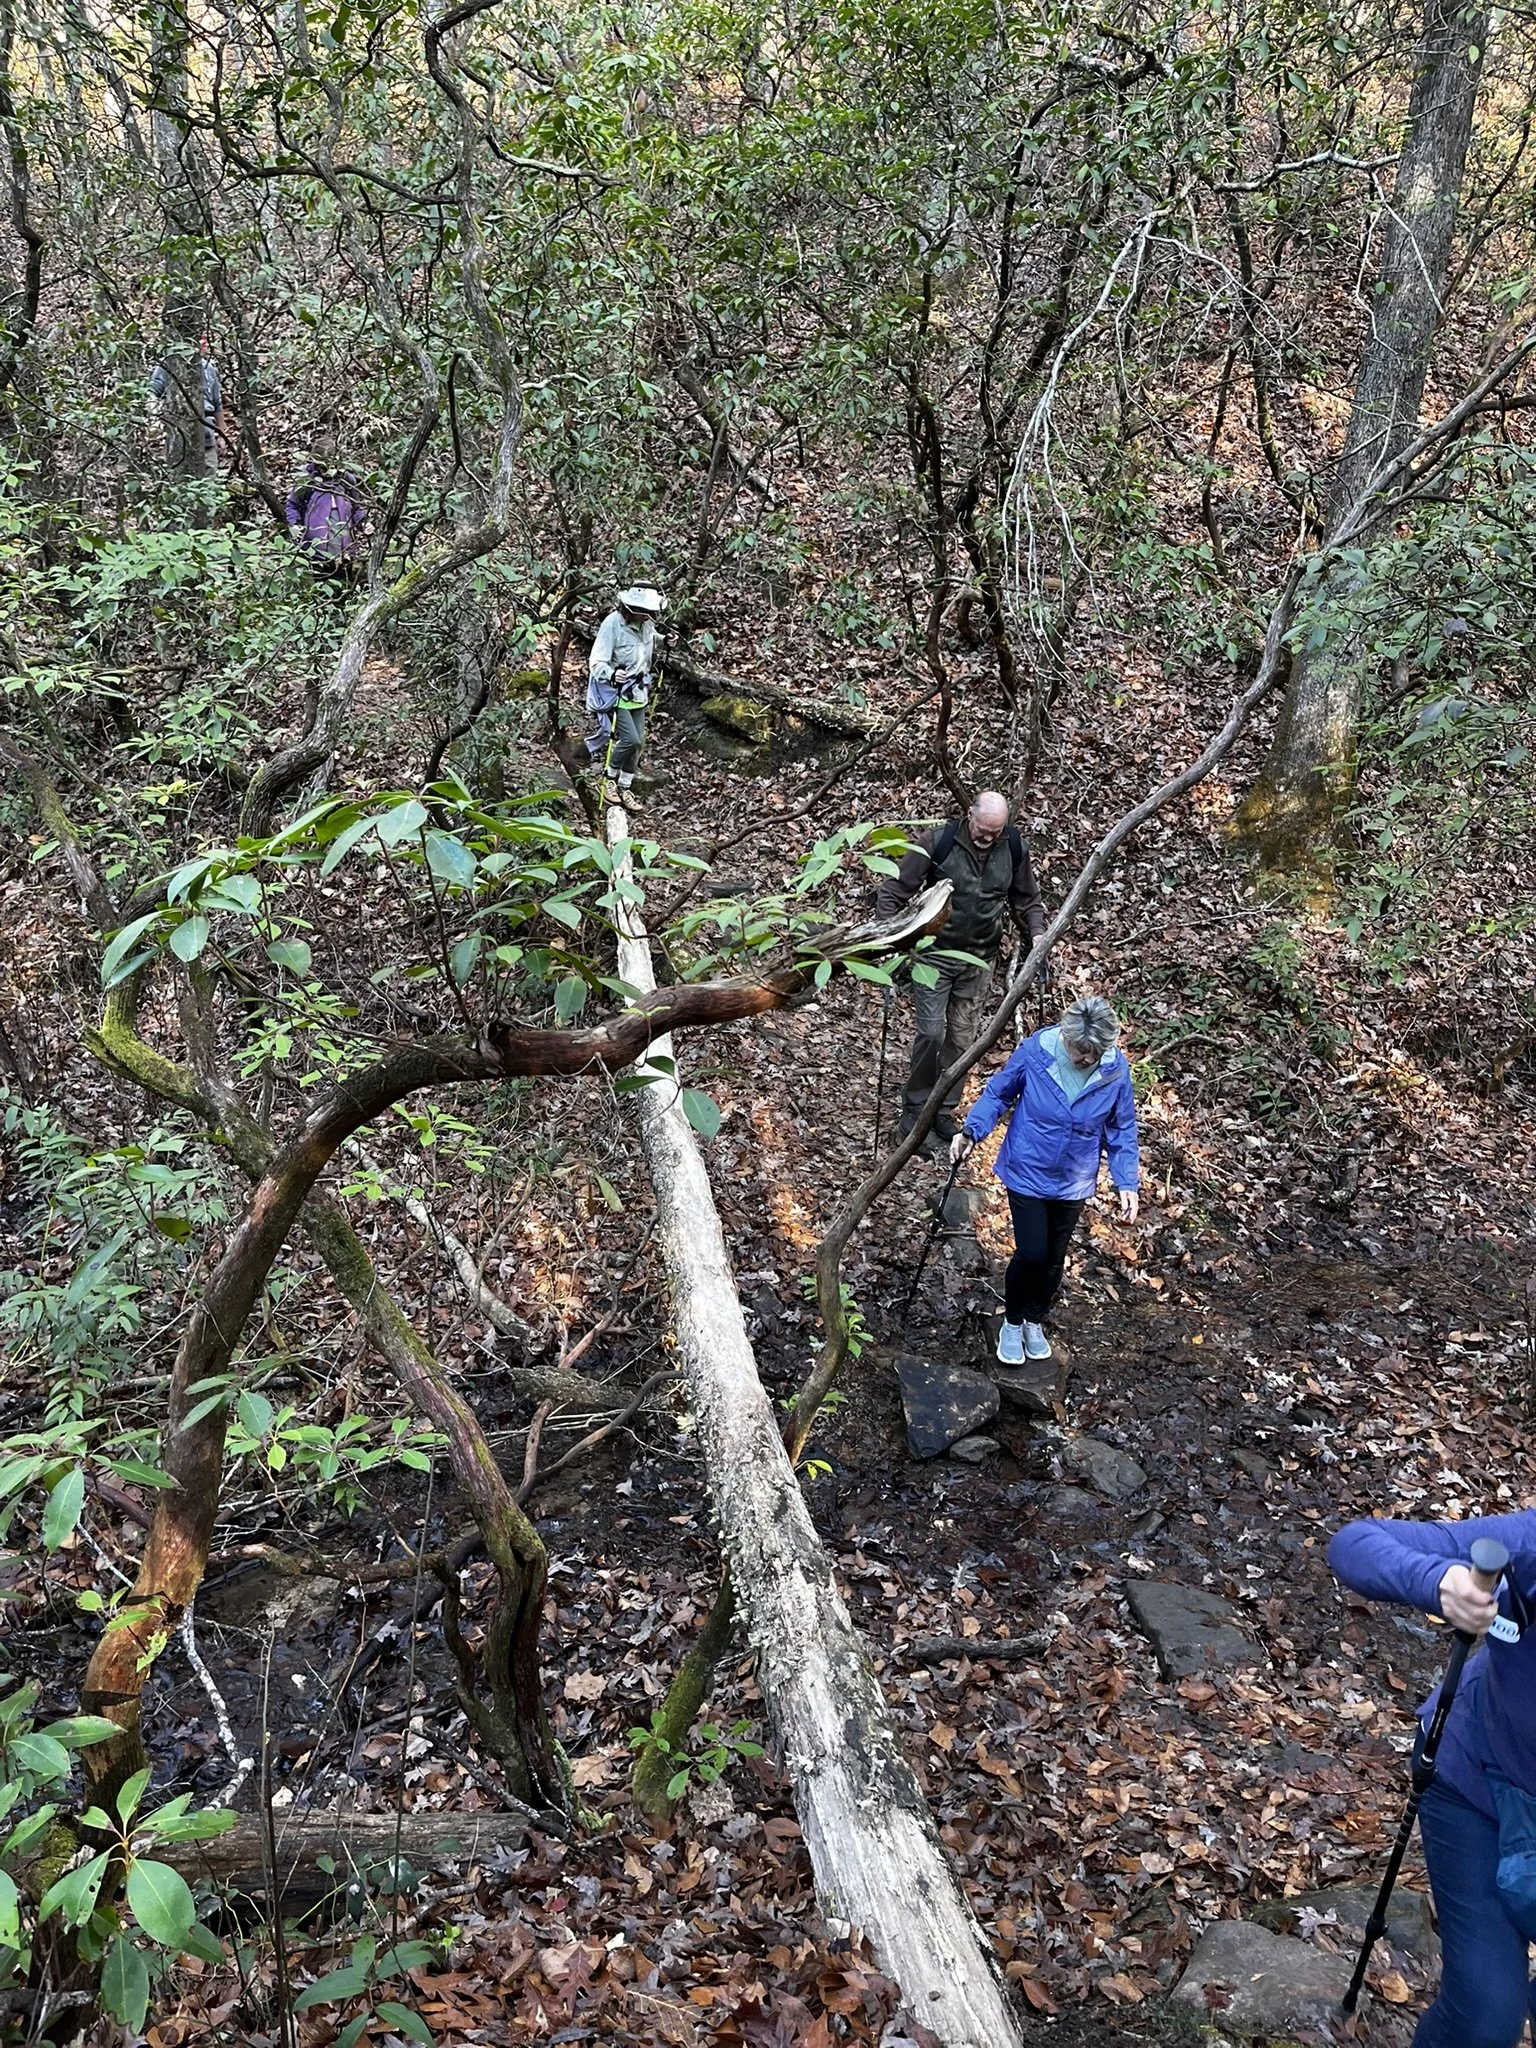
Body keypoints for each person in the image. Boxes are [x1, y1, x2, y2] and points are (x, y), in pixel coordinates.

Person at [1329, 1511, 1536, 2048]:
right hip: (1476, 1787)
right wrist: (1443, 1583)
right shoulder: (1530, 1548)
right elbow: (1356, 1543)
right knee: (1487, 2015)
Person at [949, 995, 1139, 1364]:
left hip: (1074, 1176)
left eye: (1094, 1053)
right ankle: (1013, 1322)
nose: (1085, 1059)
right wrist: (972, 1132)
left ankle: (1035, 1320)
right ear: (1065, 1038)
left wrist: (1126, 1181)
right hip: (1028, 1167)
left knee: (1054, 1257)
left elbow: (1122, 1127)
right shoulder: (1037, 1052)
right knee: (1032, 1252)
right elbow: (998, 1093)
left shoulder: (1115, 1070)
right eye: (1079, 1051)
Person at [873, 791, 1045, 1153]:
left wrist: (1038, 935)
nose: (987, 838)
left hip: (979, 961)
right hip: (934, 956)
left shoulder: (1013, 847)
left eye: (995, 832)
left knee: (963, 1042)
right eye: (983, 830)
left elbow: (1027, 899)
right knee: (932, 1035)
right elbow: (894, 892)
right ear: (970, 816)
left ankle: (944, 1111)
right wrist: (887, 938)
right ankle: (913, 1114)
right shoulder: (938, 842)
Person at [587, 586, 666, 804]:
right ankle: (608, 779)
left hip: (639, 692)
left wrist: (664, 641)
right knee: (630, 739)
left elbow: (649, 639)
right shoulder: (612, 624)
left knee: (639, 743)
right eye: (645, 611)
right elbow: (596, 662)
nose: (649, 615)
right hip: (617, 693)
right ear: (632, 608)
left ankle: (625, 787)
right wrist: (612, 674)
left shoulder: (646, 623)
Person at [285, 434, 365, 574]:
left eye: (329, 466)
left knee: (343, 588)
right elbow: (292, 506)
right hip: (314, 552)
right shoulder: (307, 481)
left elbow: (356, 507)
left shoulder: (346, 480)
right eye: (322, 467)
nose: (326, 471)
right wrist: (294, 526)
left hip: (344, 552)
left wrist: (363, 523)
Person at [149, 337, 224, 474]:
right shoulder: (169, 364)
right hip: (179, 431)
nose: (205, 344)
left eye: (205, 340)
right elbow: (152, 392)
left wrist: (221, 434)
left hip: (207, 431)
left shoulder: (209, 368)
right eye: (200, 341)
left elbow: (217, 403)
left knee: (210, 475)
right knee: (180, 474)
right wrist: (155, 421)